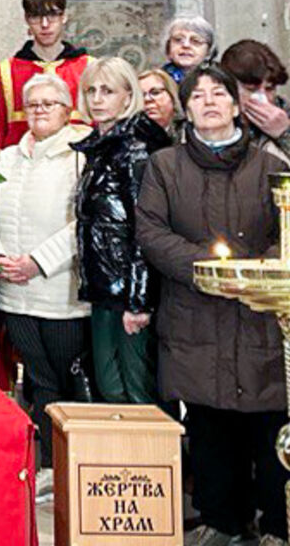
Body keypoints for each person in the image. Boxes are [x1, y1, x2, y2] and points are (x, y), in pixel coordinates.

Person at [137, 63, 290, 546]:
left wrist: (252, 274)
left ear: (238, 106)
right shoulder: (164, 167)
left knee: (269, 424)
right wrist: (210, 269)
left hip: (260, 315)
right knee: (210, 425)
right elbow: (152, 233)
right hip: (195, 312)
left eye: (219, 94)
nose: (209, 102)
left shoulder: (271, 165)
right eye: (198, 96)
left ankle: (280, 527)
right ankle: (222, 522)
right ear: (186, 109)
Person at [0, 72, 91, 500]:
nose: (40, 110)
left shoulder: (78, 156)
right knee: (37, 379)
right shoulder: (6, 158)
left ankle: (75, 463)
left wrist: (38, 262)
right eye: (33, 104)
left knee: (67, 383)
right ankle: (47, 465)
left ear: (68, 110)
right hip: (13, 291)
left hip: (60, 291)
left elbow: (81, 224)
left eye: (50, 103)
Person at [74, 56, 168, 404]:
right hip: (103, 289)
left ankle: (154, 461)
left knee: (136, 391)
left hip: (128, 293)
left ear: (128, 97)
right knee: (110, 388)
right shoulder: (100, 146)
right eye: (91, 91)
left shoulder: (136, 149)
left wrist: (139, 301)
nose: (97, 99)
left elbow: (146, 229)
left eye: (107, 91)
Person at [0, 0, 90, 148]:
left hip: (78, 166)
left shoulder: (88, 68)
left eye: (52, 15)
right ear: (26, 19)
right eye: (36, 17)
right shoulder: (7, 72)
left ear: (64, 17)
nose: (45, 24)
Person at [219, 38, 290, 167]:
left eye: (269, 89)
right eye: (251, 89)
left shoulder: (285, 115)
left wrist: (286, 134)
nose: (263, 98)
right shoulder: (212, 118)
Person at [161, 14, 215, 84]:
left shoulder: (218, 81)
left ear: (208, 50)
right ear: (168, 47)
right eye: (178, 40)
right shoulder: (156, 81)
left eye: (196, 41)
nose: (186, 45)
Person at [137, 68, 180, 134]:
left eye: (155, 93)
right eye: (141, 95)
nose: (147, 99)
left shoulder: (187, 134)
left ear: (172, 96)